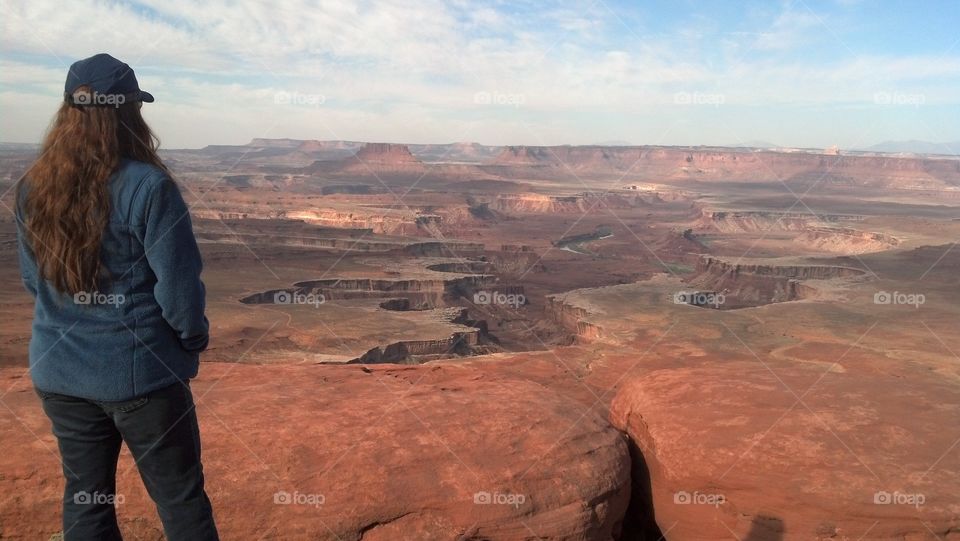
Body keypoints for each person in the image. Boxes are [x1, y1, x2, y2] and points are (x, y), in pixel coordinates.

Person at [14, 53, 219, 541]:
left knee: (87, 500)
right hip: (141, 379)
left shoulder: (32, 188)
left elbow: (33, 281)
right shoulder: (149, 186)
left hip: (59, 373)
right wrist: (190, 342)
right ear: (127, 112)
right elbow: (178, 289)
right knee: (179, 498)